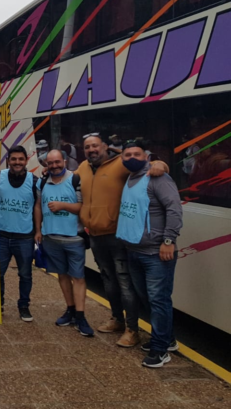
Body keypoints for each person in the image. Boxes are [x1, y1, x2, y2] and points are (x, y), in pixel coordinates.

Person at [77, 133, 167, 348]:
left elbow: (147, 163)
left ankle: (132, 329)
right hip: (96, 236)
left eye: (95, 146)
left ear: (105, 146)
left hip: (118, 236)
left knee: (126, 284)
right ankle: (117, 319)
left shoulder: (121, 164)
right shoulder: (82, 167)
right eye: (88, 147)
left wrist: (160, 163)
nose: (92, 150)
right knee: (109, 281)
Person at [115, 141, 183, 367]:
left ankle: (160, 350)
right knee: (148, 299)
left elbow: (174, 208)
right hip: (134, 250)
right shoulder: (130, 177)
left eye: (137, 154)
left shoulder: (158, 177)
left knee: (158, 300)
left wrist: (168, 240)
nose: (131, 157)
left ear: (147, 156)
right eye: (127, 154)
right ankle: (167, 339)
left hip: (155, 253)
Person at [38, 150, 94, 336]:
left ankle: (81, 316)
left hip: (74, 238)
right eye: (50, 163)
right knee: (62, 275)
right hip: (51, 238)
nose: (54, 166)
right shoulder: (43, 182)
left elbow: (83, 207)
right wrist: (38, 230)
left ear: (64, 161)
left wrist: (63, 206)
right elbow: (38, 206)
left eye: (57, 162)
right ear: (46, 165)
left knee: (78, 277)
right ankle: (70, 310)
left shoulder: (75, 180)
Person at [0, 146, 41, 322]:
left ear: (26, 161)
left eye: (21, 159)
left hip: (24, 237)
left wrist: (38, 231)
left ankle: (23, 306)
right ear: (8, 160)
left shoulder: (34, 181)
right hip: (1, 236)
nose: (17, 162)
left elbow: (38, 206)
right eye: (14, 159)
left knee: (25, 274)